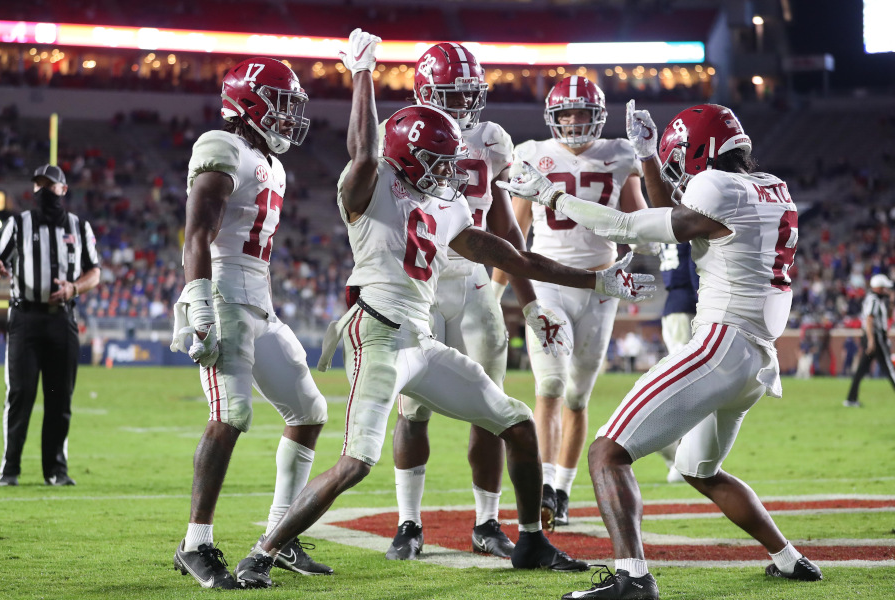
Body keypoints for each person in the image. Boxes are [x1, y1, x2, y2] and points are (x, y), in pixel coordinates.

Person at [233, 29, 655, 589]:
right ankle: (262, 553)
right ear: (405, 154)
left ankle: (529, 539)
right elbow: (364, 149)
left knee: (518, 422)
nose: (450, 171)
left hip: (420, 342)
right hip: (379, 335)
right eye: (438, 160)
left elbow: (505, 251)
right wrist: (362, 72)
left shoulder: (446, 201)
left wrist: (596, 279)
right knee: (358, 461)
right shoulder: (369, 185)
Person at [502, 102, 823, 599]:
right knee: (700, 471)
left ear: (702, 149)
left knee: (607, 454)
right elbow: (669, 218)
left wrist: (551, 195)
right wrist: (648, 159)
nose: (680, 169)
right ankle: (789, 558)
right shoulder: (771, 188)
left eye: (680, 156)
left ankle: (633, 578)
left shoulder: (716, 187)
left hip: (719, 344)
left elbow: (633, 227)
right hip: (757, 359)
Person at [383, 42, 564, 562]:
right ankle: (408, 523)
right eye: (451, 93)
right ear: (424, 92)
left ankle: (486, 522)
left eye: (469, 93)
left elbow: (506, 226)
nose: (463, 104)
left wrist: (529, 304)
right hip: (420, 280)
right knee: (413, 407)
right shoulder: (397, 130)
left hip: (475, 280)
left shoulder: (490, 138)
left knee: (492, 409)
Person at [168, 57, 332, 590]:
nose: (289, 119)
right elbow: (197, 234)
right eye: (282, 105)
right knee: (232, 413)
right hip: (223, 294)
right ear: (250, 103)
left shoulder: (269, 161)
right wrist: (198, 302)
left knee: (309, 410)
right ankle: (195, 543)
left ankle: (279, 536)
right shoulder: (222, 145)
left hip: (259, 299)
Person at [490, 76, 649, 529]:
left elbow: (637, 216)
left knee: (578, 396)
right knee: (551, 384)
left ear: (597, 116)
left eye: (583, 113)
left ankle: (561, 489)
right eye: (567, 114)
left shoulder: (620, 153)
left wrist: (650, 244)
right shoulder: (531, 153)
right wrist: (496, 291)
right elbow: (513, 233)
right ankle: (541, 485)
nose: (575, 122)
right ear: (553, 118)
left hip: (600, 287)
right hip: (547, 282)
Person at [0, 164, 101, 487]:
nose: (43, 191)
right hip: (25, 319)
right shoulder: (17, 224)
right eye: (38, 185)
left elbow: (95, 272)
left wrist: (73, 288)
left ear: (63, 190)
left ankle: (56, 470)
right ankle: (10, 469)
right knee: (20, 394)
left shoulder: (79, 226)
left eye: (50, 186)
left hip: (62, 319)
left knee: (59, 397)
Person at [654, 241, 700, 483]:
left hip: (672, 306)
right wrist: (702, 301)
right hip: (685, 307)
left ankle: (681, 454)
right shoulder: (686, 228)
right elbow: (695, 266)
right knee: (686, 383)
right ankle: (681, 454)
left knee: (685, 381)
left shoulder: (668, 230)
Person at [845, 273, 895, 406]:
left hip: (874, 337)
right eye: (884, 288)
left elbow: (888, 316)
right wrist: (872, 341)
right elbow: (869, 320)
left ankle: (851, 399)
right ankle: (851, 399)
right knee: (890, 368)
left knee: (862, 369)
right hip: (876, 338)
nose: (887, 290)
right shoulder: (873, 300)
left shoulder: (878, 300)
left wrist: (891, 302)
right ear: (878, 288)